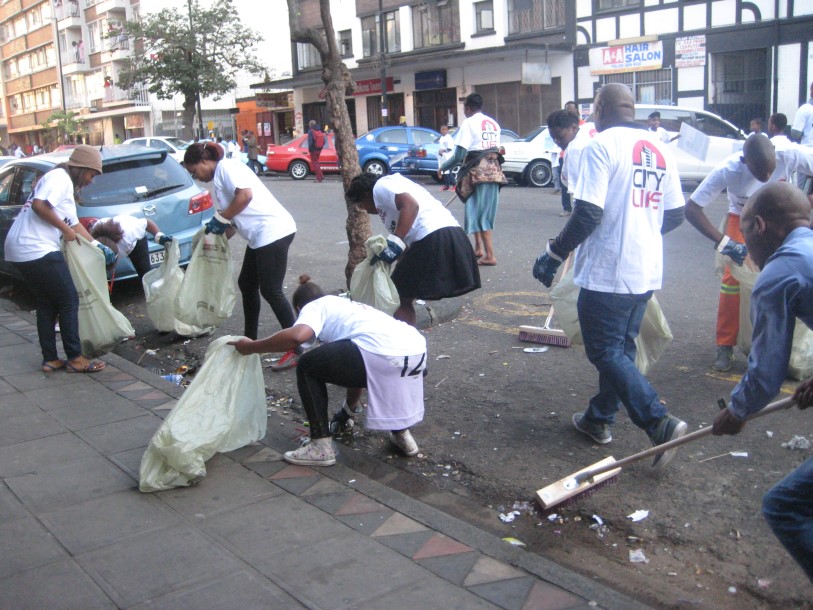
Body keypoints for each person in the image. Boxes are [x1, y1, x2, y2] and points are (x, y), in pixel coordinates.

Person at [532, 83, 688, 468]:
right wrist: (641, 231)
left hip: (609, 272)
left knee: (605, 351)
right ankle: (598, 420)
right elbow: (675, 213)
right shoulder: (661, 148)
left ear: (599, 108)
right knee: (621, 351)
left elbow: (587, 213)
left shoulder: (601, 146)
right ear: (631, 109)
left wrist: (554, 252)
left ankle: (659, 422)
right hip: (646, 269)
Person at [711, 181, 813, 583]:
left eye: (744, 237)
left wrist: (736, 412)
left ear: (757, 225)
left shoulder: (780, 273)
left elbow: (766, 373)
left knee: (784, 506)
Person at [229, 275, 426, 466]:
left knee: (307, 366)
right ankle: (402, 434)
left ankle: (320, 446)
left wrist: (251, 347)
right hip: (416, 350)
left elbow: (298, 336)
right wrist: (346, 413)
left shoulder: (315, 306)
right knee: (382, 368)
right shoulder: (348, 307)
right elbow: (353, 368)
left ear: (299, 308)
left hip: (380, 351)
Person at [685, 134, 813, 372]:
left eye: (771, 172)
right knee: (732, 281)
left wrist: (808, 200)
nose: (766, 178)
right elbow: (692, 208)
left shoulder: (789, 153)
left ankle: (789, 350)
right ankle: (725, 344)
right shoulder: (728, 170)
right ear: (745, 162)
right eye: (759, 173)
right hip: (743, 219)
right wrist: (725, 243)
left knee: (789, 277)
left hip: (780, 218)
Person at [182, 142, 300, 370]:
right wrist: (208, 244)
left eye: (194, 170)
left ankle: (299, 346)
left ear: (205, 161)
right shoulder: (219, 181)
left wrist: (222, 217)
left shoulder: (226, 167)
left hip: (273, 230)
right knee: (247, 283)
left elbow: (245, 196)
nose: (195, 176)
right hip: (260, 236)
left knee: (271, 290)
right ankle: (250, 342)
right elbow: (232, 225)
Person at [3, 145, 116, 374]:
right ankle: (75, 357)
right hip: (35, 248)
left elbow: (74, 224)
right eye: (92, 175)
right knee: (68, 300)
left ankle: (50, 359)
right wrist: (64, 230)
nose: (91, 181)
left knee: (47, 302)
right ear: (81, 169)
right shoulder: (60, 178)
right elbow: (39, 206)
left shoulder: (64, 184)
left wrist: (98, 247)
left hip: (22, 248)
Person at [345, 173, 481, 326]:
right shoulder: (395, 185)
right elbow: (408, 238)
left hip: (433, 236)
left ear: (365, 194)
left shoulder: (380, 186)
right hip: (447, 234)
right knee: (402, 290)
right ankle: (408, 342)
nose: (366, 210)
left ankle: (405, 345)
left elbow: (411, 205)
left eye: (362, 204)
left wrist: (394, 242)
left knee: (397, 295)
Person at [438, 93, 502, 266]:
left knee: (480, 213)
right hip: (494, 170)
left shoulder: (469, 123)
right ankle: (478, 248)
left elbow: (459, 154)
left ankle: (490, 255)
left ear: (467, 108)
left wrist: (443, 167)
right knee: (476, 209)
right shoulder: (494, 124)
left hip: (477, 172)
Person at [89, 215, 171, 280]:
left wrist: (158, 236)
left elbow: (146, 222)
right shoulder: (93, 245)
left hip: (135, 244)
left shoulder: (129, 233)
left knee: (146, 275)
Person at [791, 80, 813, 189]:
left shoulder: (805, 109)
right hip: (807, 152)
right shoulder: (806, 109)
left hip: (807, 152)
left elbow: (795, 134)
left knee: (802, 189)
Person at [437, 125, 456, 191]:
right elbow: (441, 147)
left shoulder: (449, 138)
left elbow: (450, 148)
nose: (443, 131)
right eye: (442, 130)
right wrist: (440, 152)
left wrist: (443, 150)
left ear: (447, 130)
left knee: (448, 171)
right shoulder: (442, 138)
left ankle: (454, 185)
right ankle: (446, 185)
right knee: (443, 171)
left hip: (448, 157)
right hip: (442, 157)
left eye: (444, 130)